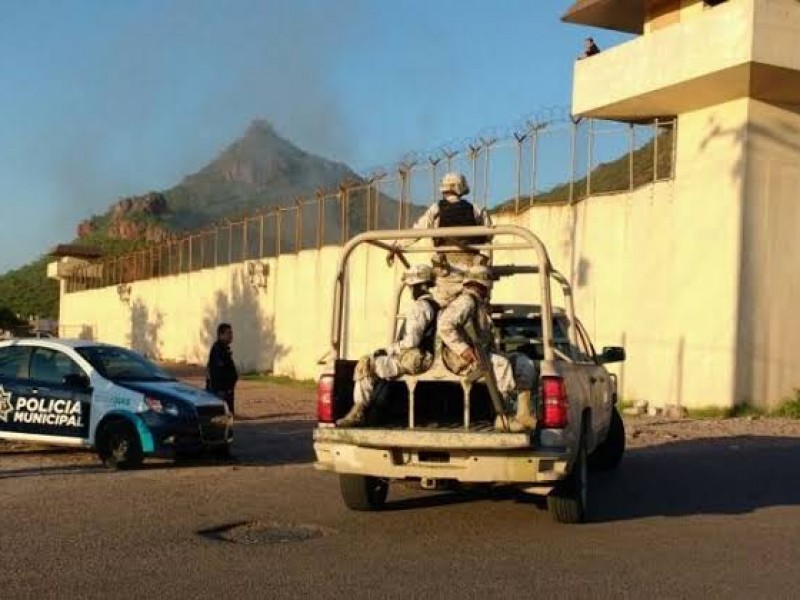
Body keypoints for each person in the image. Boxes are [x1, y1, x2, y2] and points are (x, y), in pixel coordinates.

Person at [336, 265, 440, 428]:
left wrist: (388, 350)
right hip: (424, 356)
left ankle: (358, 412)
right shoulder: (434, 305)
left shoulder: (420, 307)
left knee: (367, 363)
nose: (410, 290)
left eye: (411, 287)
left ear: (418, 286)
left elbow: (411, 342)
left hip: (417, 358)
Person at [437, 265, 537, 432]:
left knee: (522, 363)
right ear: (483, 283)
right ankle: (504, 415)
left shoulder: (479, 304)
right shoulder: (466, 301)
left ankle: (523, 413)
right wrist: (462, 349)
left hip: (481, 355)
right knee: (501, 365)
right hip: (461, 359)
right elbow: (445, 325)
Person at [388, 172, 493, 306]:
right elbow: (489, 235)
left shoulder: (435, 209)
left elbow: (417, 231)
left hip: (446, 271)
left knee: (442, 310)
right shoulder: (477, 209)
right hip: (472, 270)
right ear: (462, 189)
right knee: (474, 309)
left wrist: (396, 245)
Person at [206, 323, 238, 416]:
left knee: (228, 415)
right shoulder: (218, 350)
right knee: (223, 416)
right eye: (228, 333)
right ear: (221, 335)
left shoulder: (224, 349)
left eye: (231, 333)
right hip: (221, 391)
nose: (231, 336)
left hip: (226, 390)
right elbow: (218, 371)